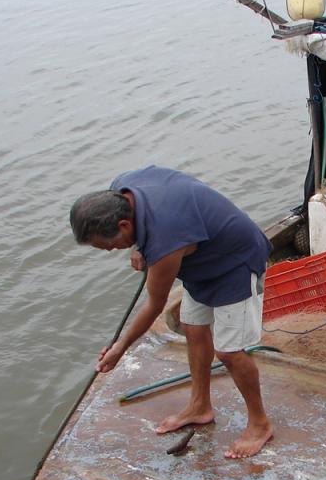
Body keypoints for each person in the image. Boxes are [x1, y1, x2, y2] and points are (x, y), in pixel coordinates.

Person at [69, 166, 274, 459]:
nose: (112, 251)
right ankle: (200, 405)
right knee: (192, 327)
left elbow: (154, 304)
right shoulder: (123, 188)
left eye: (110, 246)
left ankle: (260, 424)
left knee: (229, 352)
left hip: (235, 261)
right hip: (199, 259)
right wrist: (137, 246)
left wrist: (120, 347)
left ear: (125, 224)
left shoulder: (165, 241)